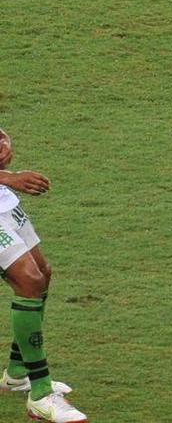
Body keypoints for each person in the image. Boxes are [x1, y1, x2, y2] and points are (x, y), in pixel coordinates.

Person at [0, 128, 83, 422]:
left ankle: (17, 373)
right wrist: (7, 177)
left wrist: (3, 142)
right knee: (29, 281)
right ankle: (41, 394)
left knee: (42, 275)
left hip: (4, 204)